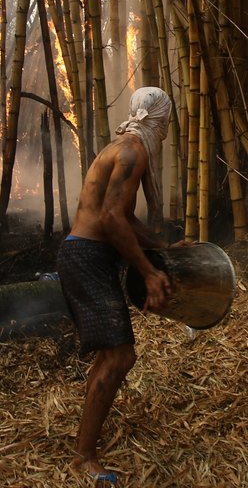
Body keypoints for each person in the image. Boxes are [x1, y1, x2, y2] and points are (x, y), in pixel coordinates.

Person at [56, 87, 175, 485]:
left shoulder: (123, 147)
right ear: (158, 119)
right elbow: (110, 219)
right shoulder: (133, 152)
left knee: (113, 355)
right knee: (120, 356)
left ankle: (84, 447)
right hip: (86, 257)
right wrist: (148, 271)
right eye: (169, 122)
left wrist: (163, 248)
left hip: (86, 256)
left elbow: (122, 216)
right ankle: (84, 457)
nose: (168, 130)